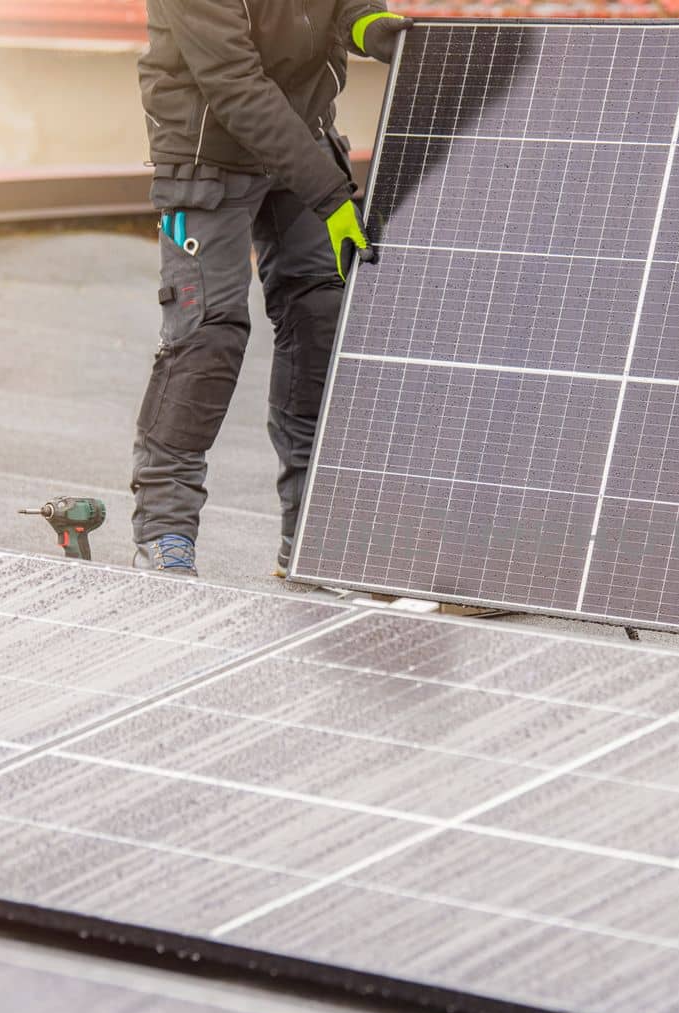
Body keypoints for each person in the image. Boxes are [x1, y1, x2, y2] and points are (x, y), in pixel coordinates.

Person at [130, 0, 411, 579]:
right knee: (208, 331)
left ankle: (309, 531)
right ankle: (165, 527)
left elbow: (349, 8)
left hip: (302, 136)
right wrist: (331, 196)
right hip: (206, 146)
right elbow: (234, 85)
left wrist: (373, 29)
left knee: (320, 315)